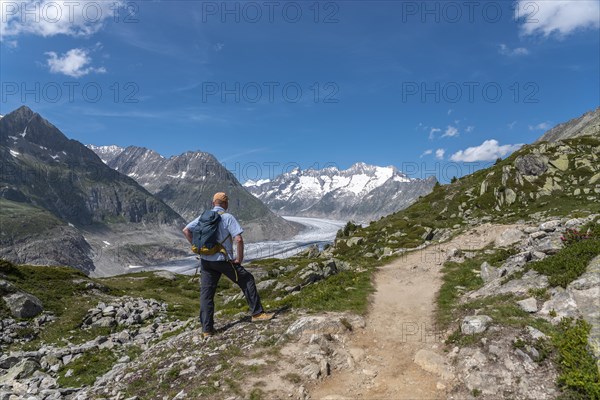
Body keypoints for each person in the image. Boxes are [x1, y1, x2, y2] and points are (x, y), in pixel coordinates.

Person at [182, 192, 274, 337]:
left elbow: (186, 230)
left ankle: (207, 330)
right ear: (225, 204)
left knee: (207, 295)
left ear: (213, 203)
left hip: (206, 261)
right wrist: (240, 258)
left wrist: (199, 248)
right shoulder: (227, 217)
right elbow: (238, 239)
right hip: (223, 260)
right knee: (247, 279)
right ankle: (257, 314)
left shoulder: (203, 217)